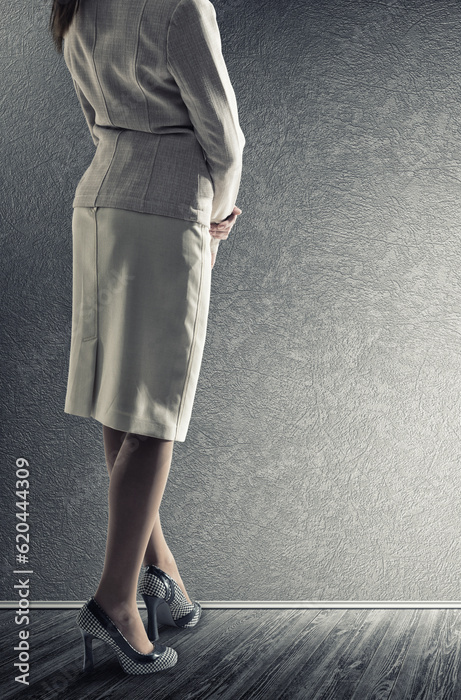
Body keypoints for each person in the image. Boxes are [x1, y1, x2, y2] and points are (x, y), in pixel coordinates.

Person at [52, 0, 245, 675]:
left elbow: (92, 114)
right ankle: (115, 601)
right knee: (156, 410)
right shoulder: (180, 5)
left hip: (97, 202)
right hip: (166, 209)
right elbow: (224, 136)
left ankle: (158, 571)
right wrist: (219, 216)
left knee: (119, 397)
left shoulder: (72, 6)